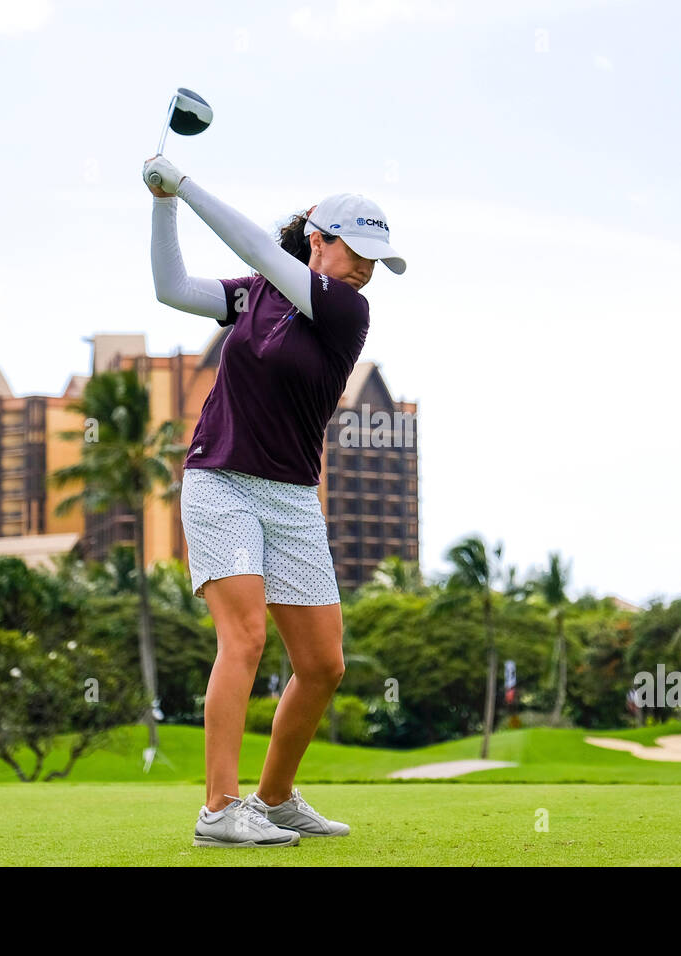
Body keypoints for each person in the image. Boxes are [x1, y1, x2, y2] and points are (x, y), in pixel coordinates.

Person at [142, 154, 406, 848]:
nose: (368, 268)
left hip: (291, 496)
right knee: (247, 637)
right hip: (220, 480)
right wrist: (162, 201)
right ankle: (219, 811)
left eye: (378, 259)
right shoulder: (256, 295)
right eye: (360, 251)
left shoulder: (346, 309)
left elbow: (261, 246)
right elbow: (171, 287)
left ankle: (276, 798)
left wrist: (184, 181)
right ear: (320, 238)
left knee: (323, 665)